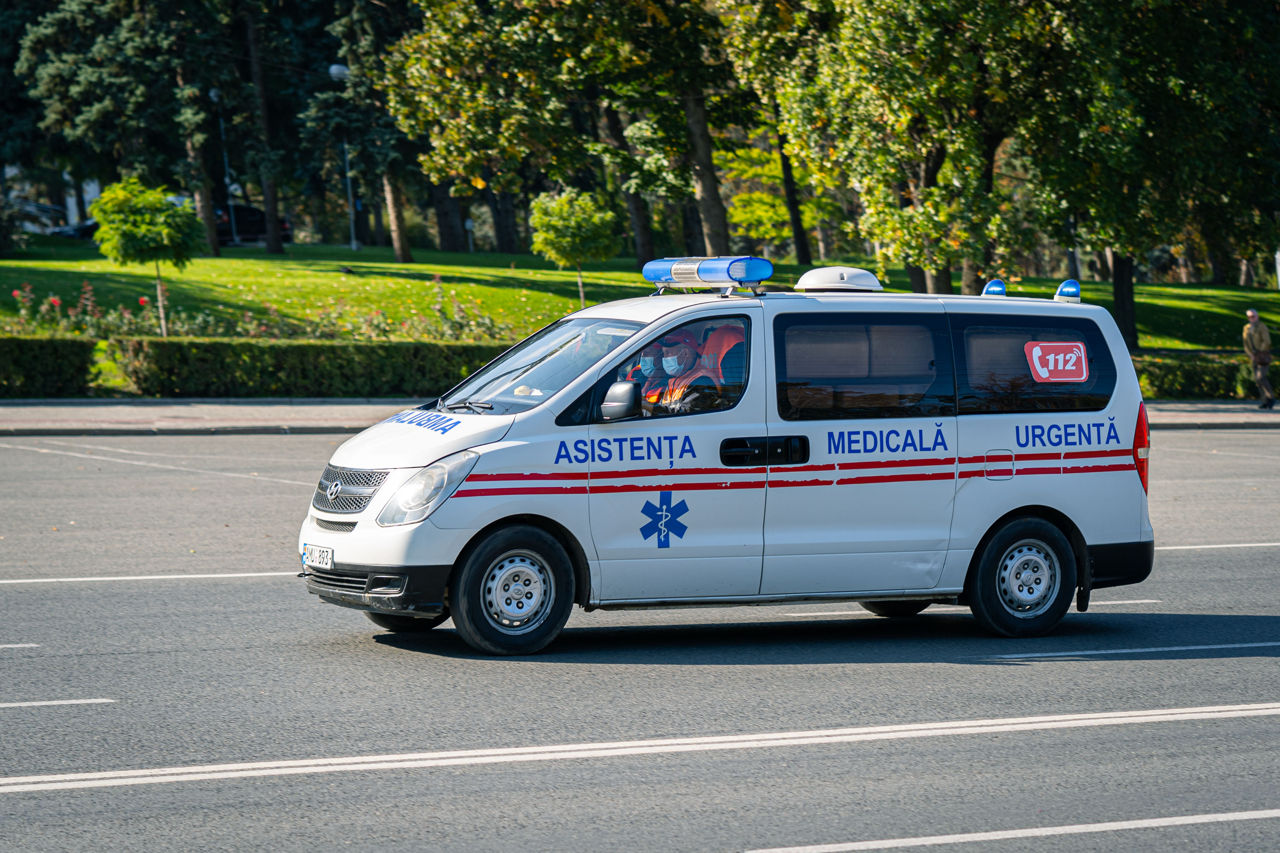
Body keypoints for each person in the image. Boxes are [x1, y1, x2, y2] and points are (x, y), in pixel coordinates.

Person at [653, 329, 722, 415]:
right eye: (663, 353)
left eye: (668, 353)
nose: (664, 358)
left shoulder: (703, 381)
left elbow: (684, 414)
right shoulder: (675, 379)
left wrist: (650, 409)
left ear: (685, 353)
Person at [1243, 308, 1275, 410]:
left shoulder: (1262, 326)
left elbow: (1267, 341)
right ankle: (1265, 400)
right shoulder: (1246, 328)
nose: (1251, 318)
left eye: (1253, 316)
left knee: (1261, 377)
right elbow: (1245, 343)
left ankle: (1270, 398)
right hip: (1254, 356)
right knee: (1257, 379)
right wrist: (1250, 354)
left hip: (1262, 356)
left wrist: (1260, 352)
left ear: (1257, 316)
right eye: (1249, 317)